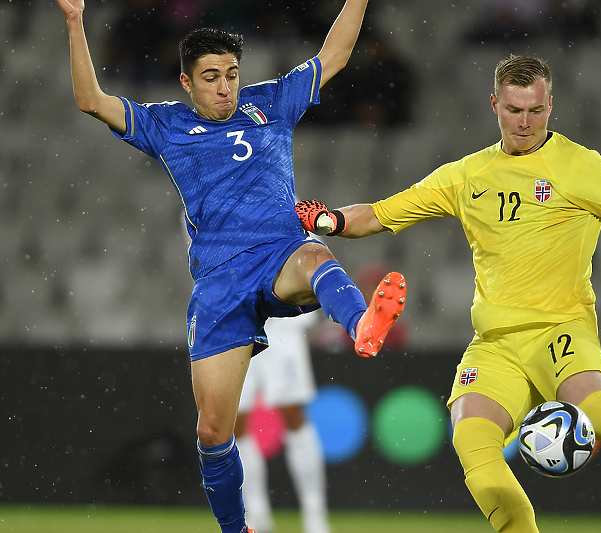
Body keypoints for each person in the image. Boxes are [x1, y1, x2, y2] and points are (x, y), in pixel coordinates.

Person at [294, 55, 601, 532]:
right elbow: (380, 214)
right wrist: (329, 221)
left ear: (551, 106)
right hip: (496, 343)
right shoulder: (465, 176)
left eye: (536, 111)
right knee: (472, 443)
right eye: (514, 110)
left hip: (561, 329)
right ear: (494, 105)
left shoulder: (584, 168)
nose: (525, 123)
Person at [54, 1, 406, 532]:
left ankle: (362, 325)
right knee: (214, 433)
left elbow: (335, 54)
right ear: (186, 82)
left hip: (277, 256)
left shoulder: (271, 103)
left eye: (232, 75)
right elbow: (89, 99)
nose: (225, 88)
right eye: (212, 77)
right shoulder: (164, 125)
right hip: (220, 286)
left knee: (314, 253)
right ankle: (236, 529)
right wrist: (76, 22)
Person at [234, 312, 330, 533]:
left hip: (282, 324)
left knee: (293, 415)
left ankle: (315, 517)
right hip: (237, 324)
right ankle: (256, 515)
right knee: (235, 424)